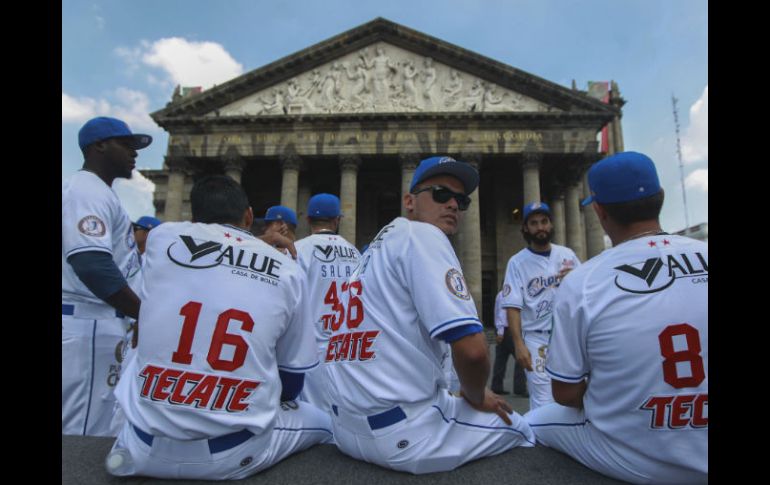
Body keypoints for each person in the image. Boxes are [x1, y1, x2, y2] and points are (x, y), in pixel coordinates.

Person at [105, 175, 331, 480]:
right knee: (327, 423)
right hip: (231, 452)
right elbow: (292, 383)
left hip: (143, 445)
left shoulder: (162, 238)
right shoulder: (288, 271)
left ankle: (121, 440)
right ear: (249, 216)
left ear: (193, 216)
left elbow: (215, 246)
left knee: (136, 355)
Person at [325, 156, 535, 474]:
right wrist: (476, 395)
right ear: (409, 201)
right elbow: (475, 352)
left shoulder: (370, 252)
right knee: (524, 430)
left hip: (343, 430)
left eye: (461, 199)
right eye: (440, 194)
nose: (453, 204)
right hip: (404, 435)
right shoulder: (424, 236)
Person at [525, 152, 708, 484]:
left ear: (599, 210)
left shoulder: (583, 281)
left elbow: (565, 393)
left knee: (531, 423)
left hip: (643, 458)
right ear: (661, 198)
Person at [62, 116, 150, 437]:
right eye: (126, 145)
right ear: (99, 146)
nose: (134, 153)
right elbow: (91, 263)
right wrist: (146, 313)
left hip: (100, 324)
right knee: (79, 437)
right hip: (87, 325)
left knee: (94, 427)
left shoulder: (100, 192)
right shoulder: (86, 189)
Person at [501, 201, 580, 411]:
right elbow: (512, 307)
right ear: (526, 228)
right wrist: (519, 345)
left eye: (544, 222)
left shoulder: (568, 255)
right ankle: (543, 440)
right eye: (534, 223)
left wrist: (575, 279)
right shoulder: (517, 262)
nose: (540, 227)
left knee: (573, 390)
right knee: (543, 396)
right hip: (536, 337)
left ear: (551, 224)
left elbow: (586, 293)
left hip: (567, 334)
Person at [294, 194, 360, 413]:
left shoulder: (298, 250)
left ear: (308, 220)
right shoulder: (355, 253)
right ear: (337, 220)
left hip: (310, 350)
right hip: (347, 348)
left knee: (313, 415)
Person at [490, 290, 527, 397]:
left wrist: (499, 331)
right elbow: (502, 313)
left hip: (504, 330)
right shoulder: (508, 294)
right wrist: (501, 331)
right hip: (510, 330)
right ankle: (519, 388)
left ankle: (497, 386)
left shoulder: (501, 294)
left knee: (500, 359)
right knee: (520, 358)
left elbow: (497, 313)